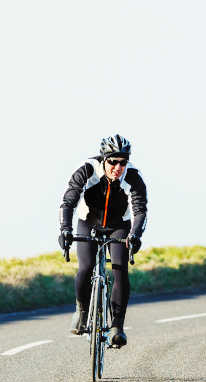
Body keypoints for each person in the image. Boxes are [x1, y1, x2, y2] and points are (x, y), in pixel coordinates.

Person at [58, 134, 147, 348]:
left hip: (119, 225)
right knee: (86, 267)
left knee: (119, 269)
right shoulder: (87, 169)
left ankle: (117, 327)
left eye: (123, 162)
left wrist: (135, 235)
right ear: (104, 159)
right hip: (89, 222)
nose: (118, 167)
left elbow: (140, 211)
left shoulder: (133, 176)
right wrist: (65, 230)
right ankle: (82, 311)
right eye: (113, 162)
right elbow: (68, 201)